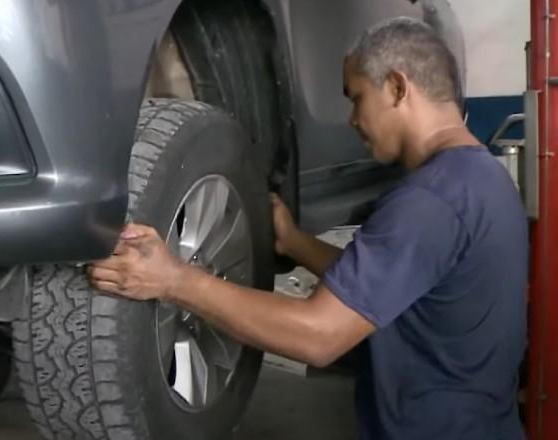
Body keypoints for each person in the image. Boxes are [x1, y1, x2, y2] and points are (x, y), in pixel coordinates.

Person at [88, 17, 527, 439]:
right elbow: (397, 282)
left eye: (356, 97)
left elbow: (319, 336)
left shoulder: (429, 202)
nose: (353, 119)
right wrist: (297, 244)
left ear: (396, 87)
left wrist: (175, 280)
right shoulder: (483, 179)